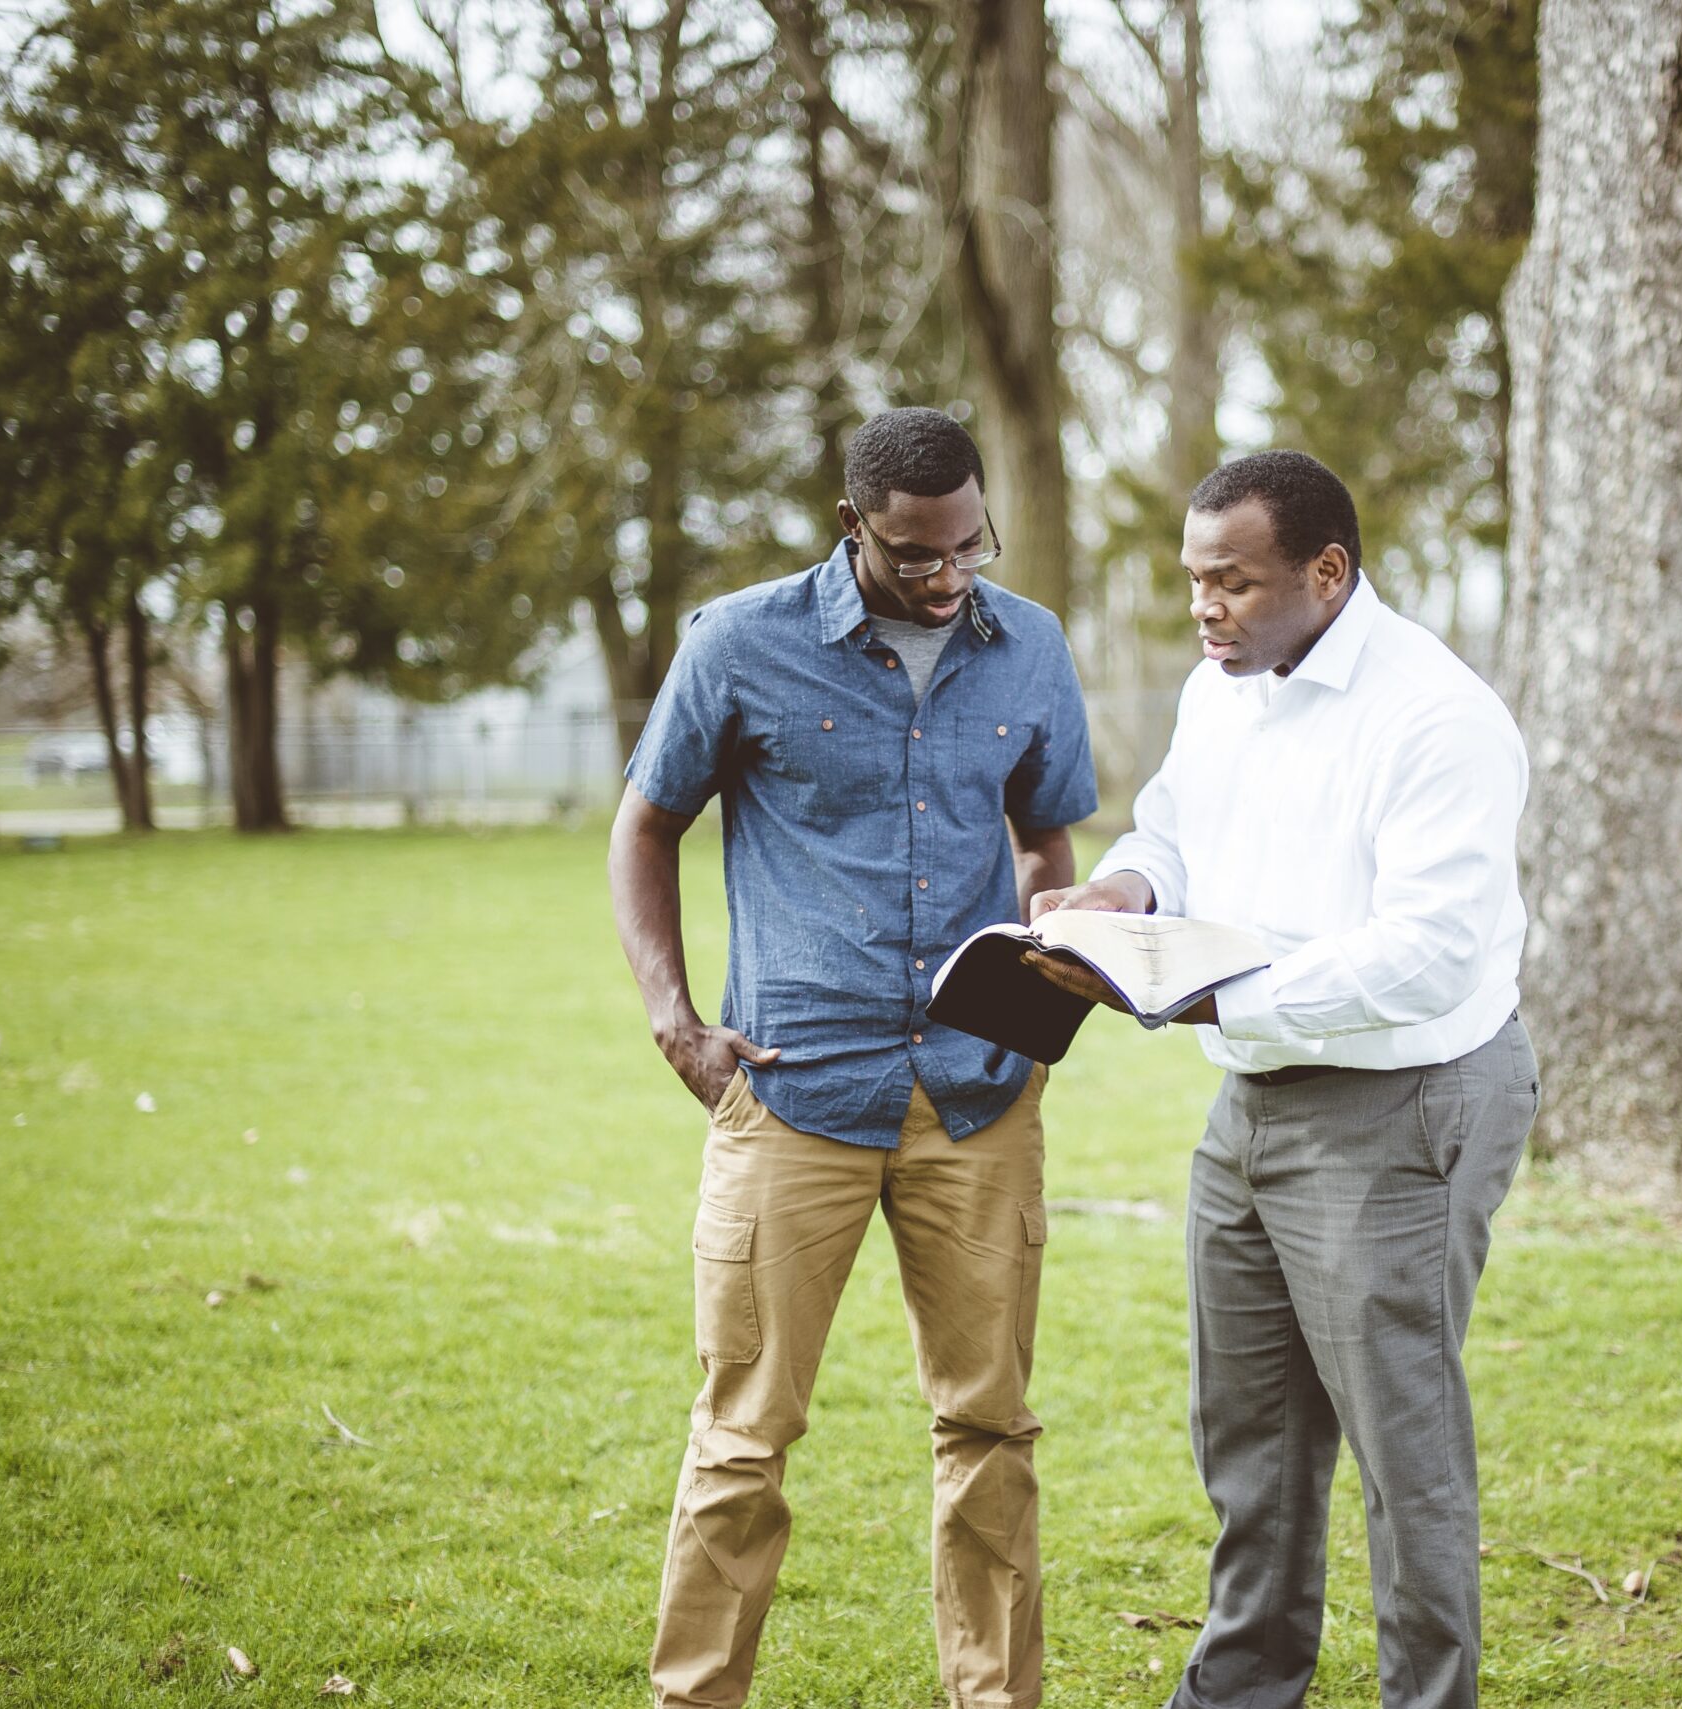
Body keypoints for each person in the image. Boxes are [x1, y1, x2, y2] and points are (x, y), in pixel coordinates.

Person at [1028, 450, 1537, 1709]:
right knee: (1249, 1433)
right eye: (1195, 579)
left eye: (1234, 582)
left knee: (1399, 1447)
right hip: (1249, 1103)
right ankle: (1242, 1690)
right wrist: (1127, 891)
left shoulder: (1438, 716)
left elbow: (1426, 954)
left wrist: (1211, 993)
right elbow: (1171, 829)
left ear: (1326, 570)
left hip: (1401, 1104)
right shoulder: (1224, 688)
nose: (1207, 607)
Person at [609, 406, 1098, 1709]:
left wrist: (1055, 950)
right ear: (853, 528)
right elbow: (645, 824)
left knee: (989, 1425)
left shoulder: (1032, 647)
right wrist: (673, 1014)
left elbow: (1051, 841)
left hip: (981, 1098)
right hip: (793, 1089)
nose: (947, 577)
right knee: (741, 1437)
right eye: (915, 554)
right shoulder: (739, 643)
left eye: (968, 549)